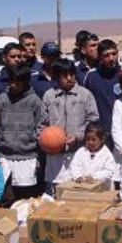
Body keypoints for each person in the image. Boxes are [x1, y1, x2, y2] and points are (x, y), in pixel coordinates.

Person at [39, 59, 99, 194]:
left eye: (72, 74)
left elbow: (93, 120)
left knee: (77, 192)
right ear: (57, 76)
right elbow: (42, 124)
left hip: (77, 153)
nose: (69, 78)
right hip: (54, 156)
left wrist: (78, 136)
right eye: (65, 75)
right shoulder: (49, 96)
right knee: (54, 193)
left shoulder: (85, 95)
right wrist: (46, 142)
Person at [0, 65, 44, 203]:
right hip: (5, 156)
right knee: (5, 198)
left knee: (26, 199)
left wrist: (35, 147)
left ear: (26, 82)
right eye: (11, 81)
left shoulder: (35, 101)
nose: (13, 85)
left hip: (28, 156)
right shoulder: (2, 99)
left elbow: (41, 125)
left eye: (17, 82)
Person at [84, 39, 122, 141]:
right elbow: (85, 104)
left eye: (114, 54)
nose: (111, 58)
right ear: (100, 57)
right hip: (100, 133)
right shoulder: (91, 76)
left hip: (121, 131)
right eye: (107, 55)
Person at [67, 122, 115, 187]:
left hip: (102, 189)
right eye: (87, 139)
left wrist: (94, 177)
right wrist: (78, 176)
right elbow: (74, 166)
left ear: (102, 139)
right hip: (83, 187)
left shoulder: (107, 154)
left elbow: (109, 171)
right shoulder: (81, 151)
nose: (90, 142)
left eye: (93, 139)